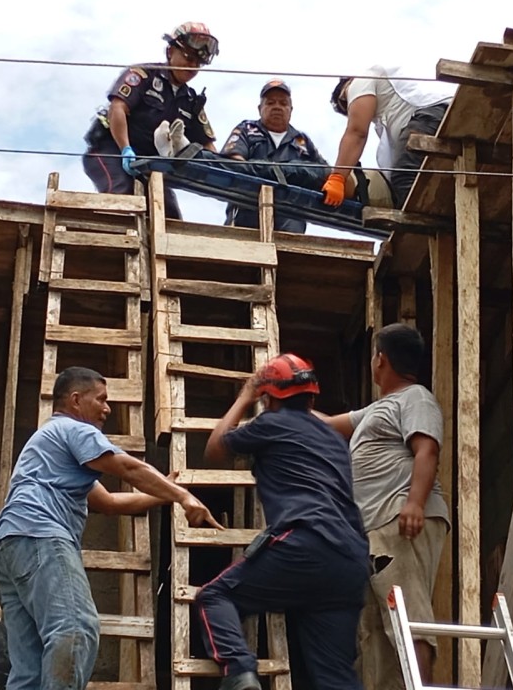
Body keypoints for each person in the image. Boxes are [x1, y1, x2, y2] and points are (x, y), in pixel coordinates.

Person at [0, 366, 221, 690]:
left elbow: (109, 502)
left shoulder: (49, 443)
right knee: (75, 629)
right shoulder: (74, 429)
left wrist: (163, 496)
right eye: (101, 399)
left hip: (9, 548)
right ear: (75, 400)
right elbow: (127, 466)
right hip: (41, 535)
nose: (108, 409)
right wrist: (184, 496)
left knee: (30, 667)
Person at [198, 354, 369, 690]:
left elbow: (214, 450)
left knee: (214, 597)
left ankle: (240, 674)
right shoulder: (335, 440)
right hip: (350, 560)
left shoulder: (270, 424)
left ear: (269, 399)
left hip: (306, 542)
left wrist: (246, 396)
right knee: (334, 676)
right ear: (314, 397)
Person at [317, 323, 450, 690]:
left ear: (382, 360)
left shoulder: (416, 398)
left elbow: (427, 450)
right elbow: (329, 424)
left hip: (398, 518)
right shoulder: (379, 409)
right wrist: (289, 403)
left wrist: (414, 503)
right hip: (374, 530)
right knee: (375, 629)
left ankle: (419, 686)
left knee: (406, 610)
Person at [82, 22, 219, 220]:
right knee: (120, 196)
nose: (192, 66)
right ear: (170, 51)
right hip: (112, 150)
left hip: (151, 164)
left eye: (198, 63)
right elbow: (118, 108)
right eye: (188, 57)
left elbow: (208, 145)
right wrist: (125, 149)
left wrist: (220, 171)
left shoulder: (191, 101)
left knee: (169, 216)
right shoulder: (143, 75)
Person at [323, 65, 455, 210]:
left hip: (428, 117)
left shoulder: (359, 81)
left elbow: (357, 133)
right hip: (438, 116)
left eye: (346, 103)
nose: (351, 110)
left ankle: (425, 229)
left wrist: (338, 177)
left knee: (407, 180)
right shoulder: (387, 120)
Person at [220, 79, 330, 234]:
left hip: (291, 220)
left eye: (283, 103)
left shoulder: (301, 140)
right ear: (260, 108)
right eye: (270, 103)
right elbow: (233, 164)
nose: (277, 107)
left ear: (291, 109)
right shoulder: (246, 129)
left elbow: (325, 174)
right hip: (246, 217)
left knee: (289, 256)